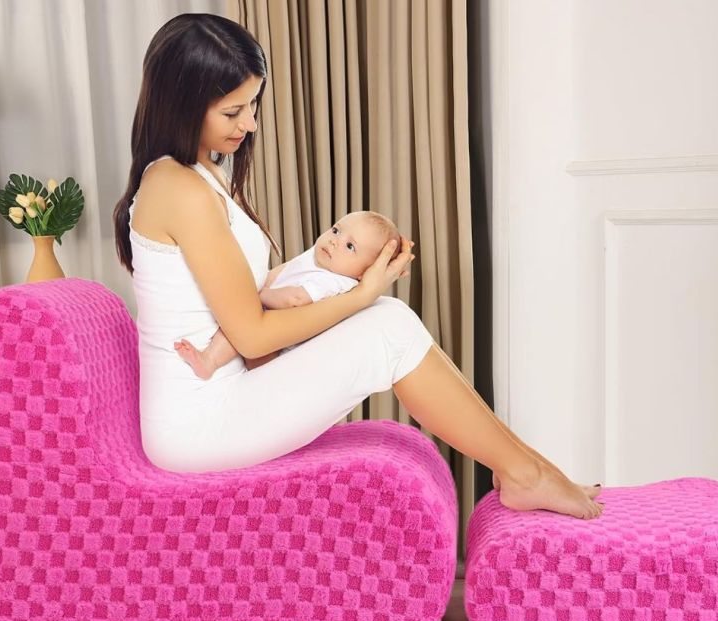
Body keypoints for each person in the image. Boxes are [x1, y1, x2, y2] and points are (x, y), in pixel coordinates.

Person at [112, 13, 605, 520]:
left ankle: (523, 466)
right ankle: (526, 473)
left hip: (222, 396)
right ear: (183, 103)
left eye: (254, 104)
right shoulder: (178, 188)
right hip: (198, 424)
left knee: (388, 323)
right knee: (387, 325)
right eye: (234, 110)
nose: (251, 123)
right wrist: (361, 294)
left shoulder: (199, 173)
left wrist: (339, 289)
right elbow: (254, 336)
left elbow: (250, 294)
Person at [173, 210, 403, 379]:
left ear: (365, 273)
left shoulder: (335, 282)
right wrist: (255, 288)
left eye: (350, 246)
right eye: (336, 230)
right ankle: (210, 358)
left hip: (282, 354)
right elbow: (276, 274)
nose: (335, 241)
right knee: (237, 325)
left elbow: (295, 300)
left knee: (238, 328)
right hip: (268, 331)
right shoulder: (319, 258)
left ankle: (210, 360)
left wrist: (258, 295)